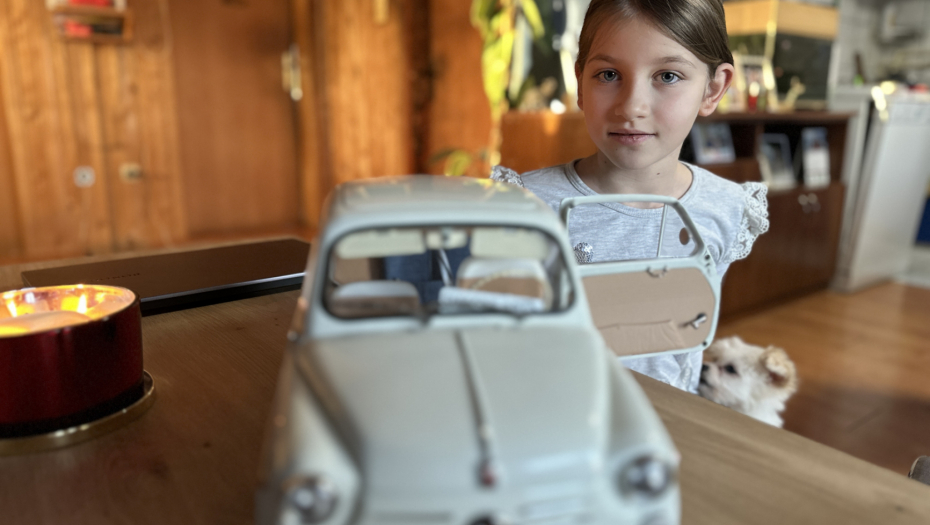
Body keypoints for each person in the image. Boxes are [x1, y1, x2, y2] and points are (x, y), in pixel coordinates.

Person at [492, 0, 769, 393]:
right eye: (608, 74)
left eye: (668, 76)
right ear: (581, 84)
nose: (632, 107)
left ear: (713, 89)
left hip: (669, 418)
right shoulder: (524, 205)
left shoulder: (727, 207)